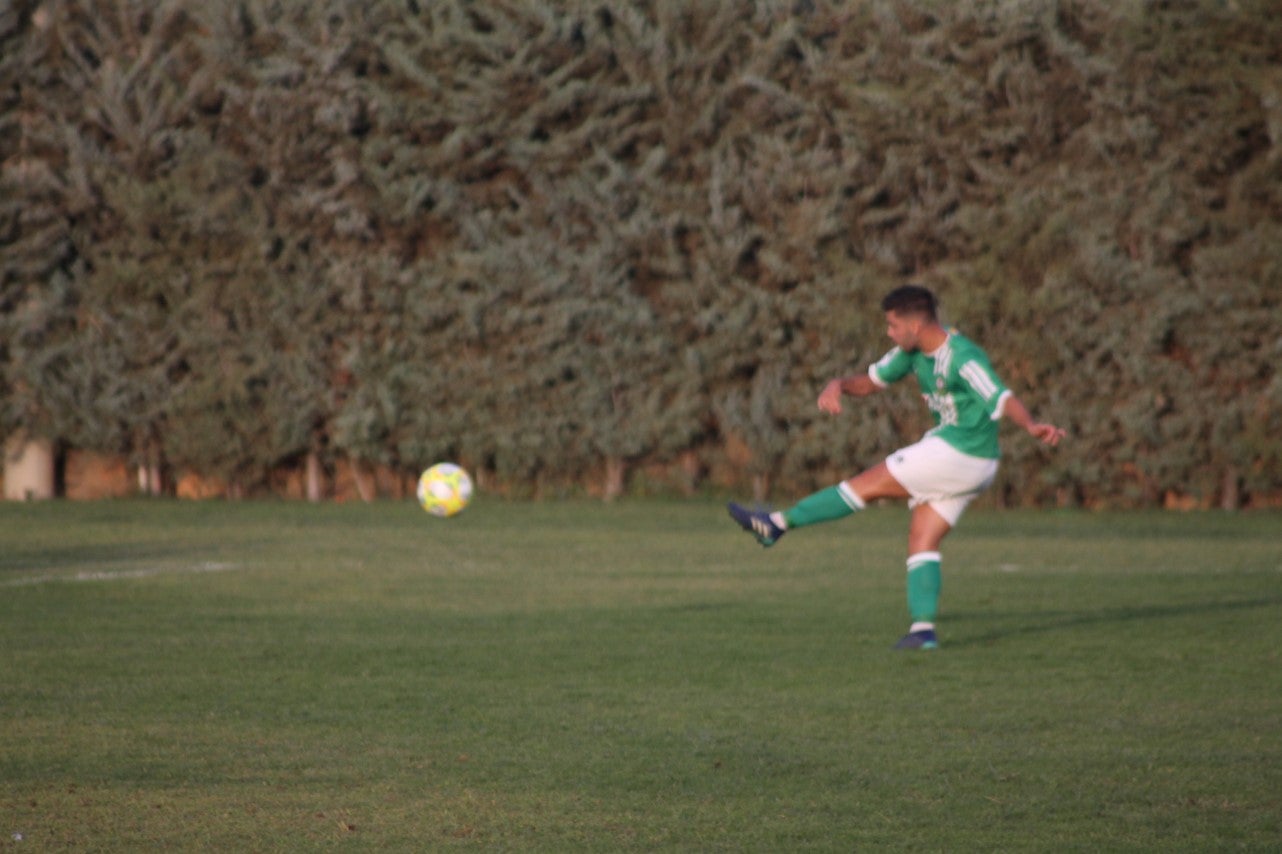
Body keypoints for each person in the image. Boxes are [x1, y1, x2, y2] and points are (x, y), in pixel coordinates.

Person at [728, 284, 1066, 650]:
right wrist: (837, 384)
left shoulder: (962, 357)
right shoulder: (912, 352)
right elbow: (872, 382)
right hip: (969, 462)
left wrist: (1031, 425)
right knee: (922, 537)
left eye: (893, 325)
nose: (889, 332)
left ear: (916, 325)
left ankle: (777, 523)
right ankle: (923, 632)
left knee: (865, 485)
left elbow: (1000, 396)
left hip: (961, 452)